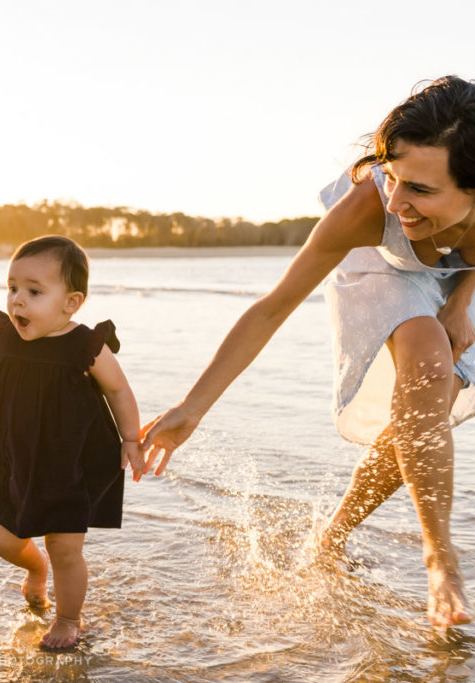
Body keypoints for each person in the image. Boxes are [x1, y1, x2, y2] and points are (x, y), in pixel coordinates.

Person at [142, 75, 475, 628]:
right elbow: (273, 307)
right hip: (382, 265)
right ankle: (440, 561)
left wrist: (462, 299)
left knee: (426, 407)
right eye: (392, 176)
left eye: (419, 188)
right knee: (428, 361)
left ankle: (333, 533)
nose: (396, 199)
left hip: (462, 268)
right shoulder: (371, 209)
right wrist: (192, 406)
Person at [0, 236, 144, 649]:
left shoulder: (86, 346)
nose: (17, 300)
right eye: (13, 287)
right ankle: (35, 570)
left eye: (34, 291)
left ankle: (68, 619)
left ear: (71, 303)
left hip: (71, 463)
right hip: (14, 458)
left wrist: (131, 439)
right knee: (2, 540)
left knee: (65, 549)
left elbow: (119, 391)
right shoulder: (6, 339)